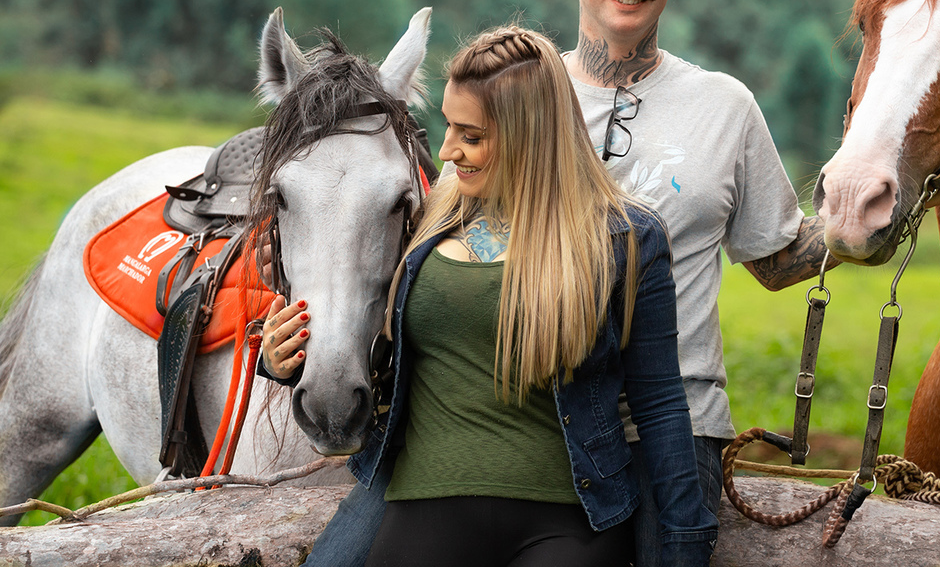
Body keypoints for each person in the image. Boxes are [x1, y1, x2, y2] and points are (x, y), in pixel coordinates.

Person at [561, 0, 940, 565]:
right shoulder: (521, 99)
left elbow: (776, 259)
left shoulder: (724, 106)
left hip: (677, 433)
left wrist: (923, 199)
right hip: (533, 425)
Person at [262, 27, 717, 566]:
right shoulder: (430, 219)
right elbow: (380, 340)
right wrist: (289, 362)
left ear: (529, 135)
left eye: (470, 135)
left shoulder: (625, 238)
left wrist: (686, 535)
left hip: (569, 519)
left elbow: (660, 402)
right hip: (424, 501)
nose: (448, 150)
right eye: (449, 126)